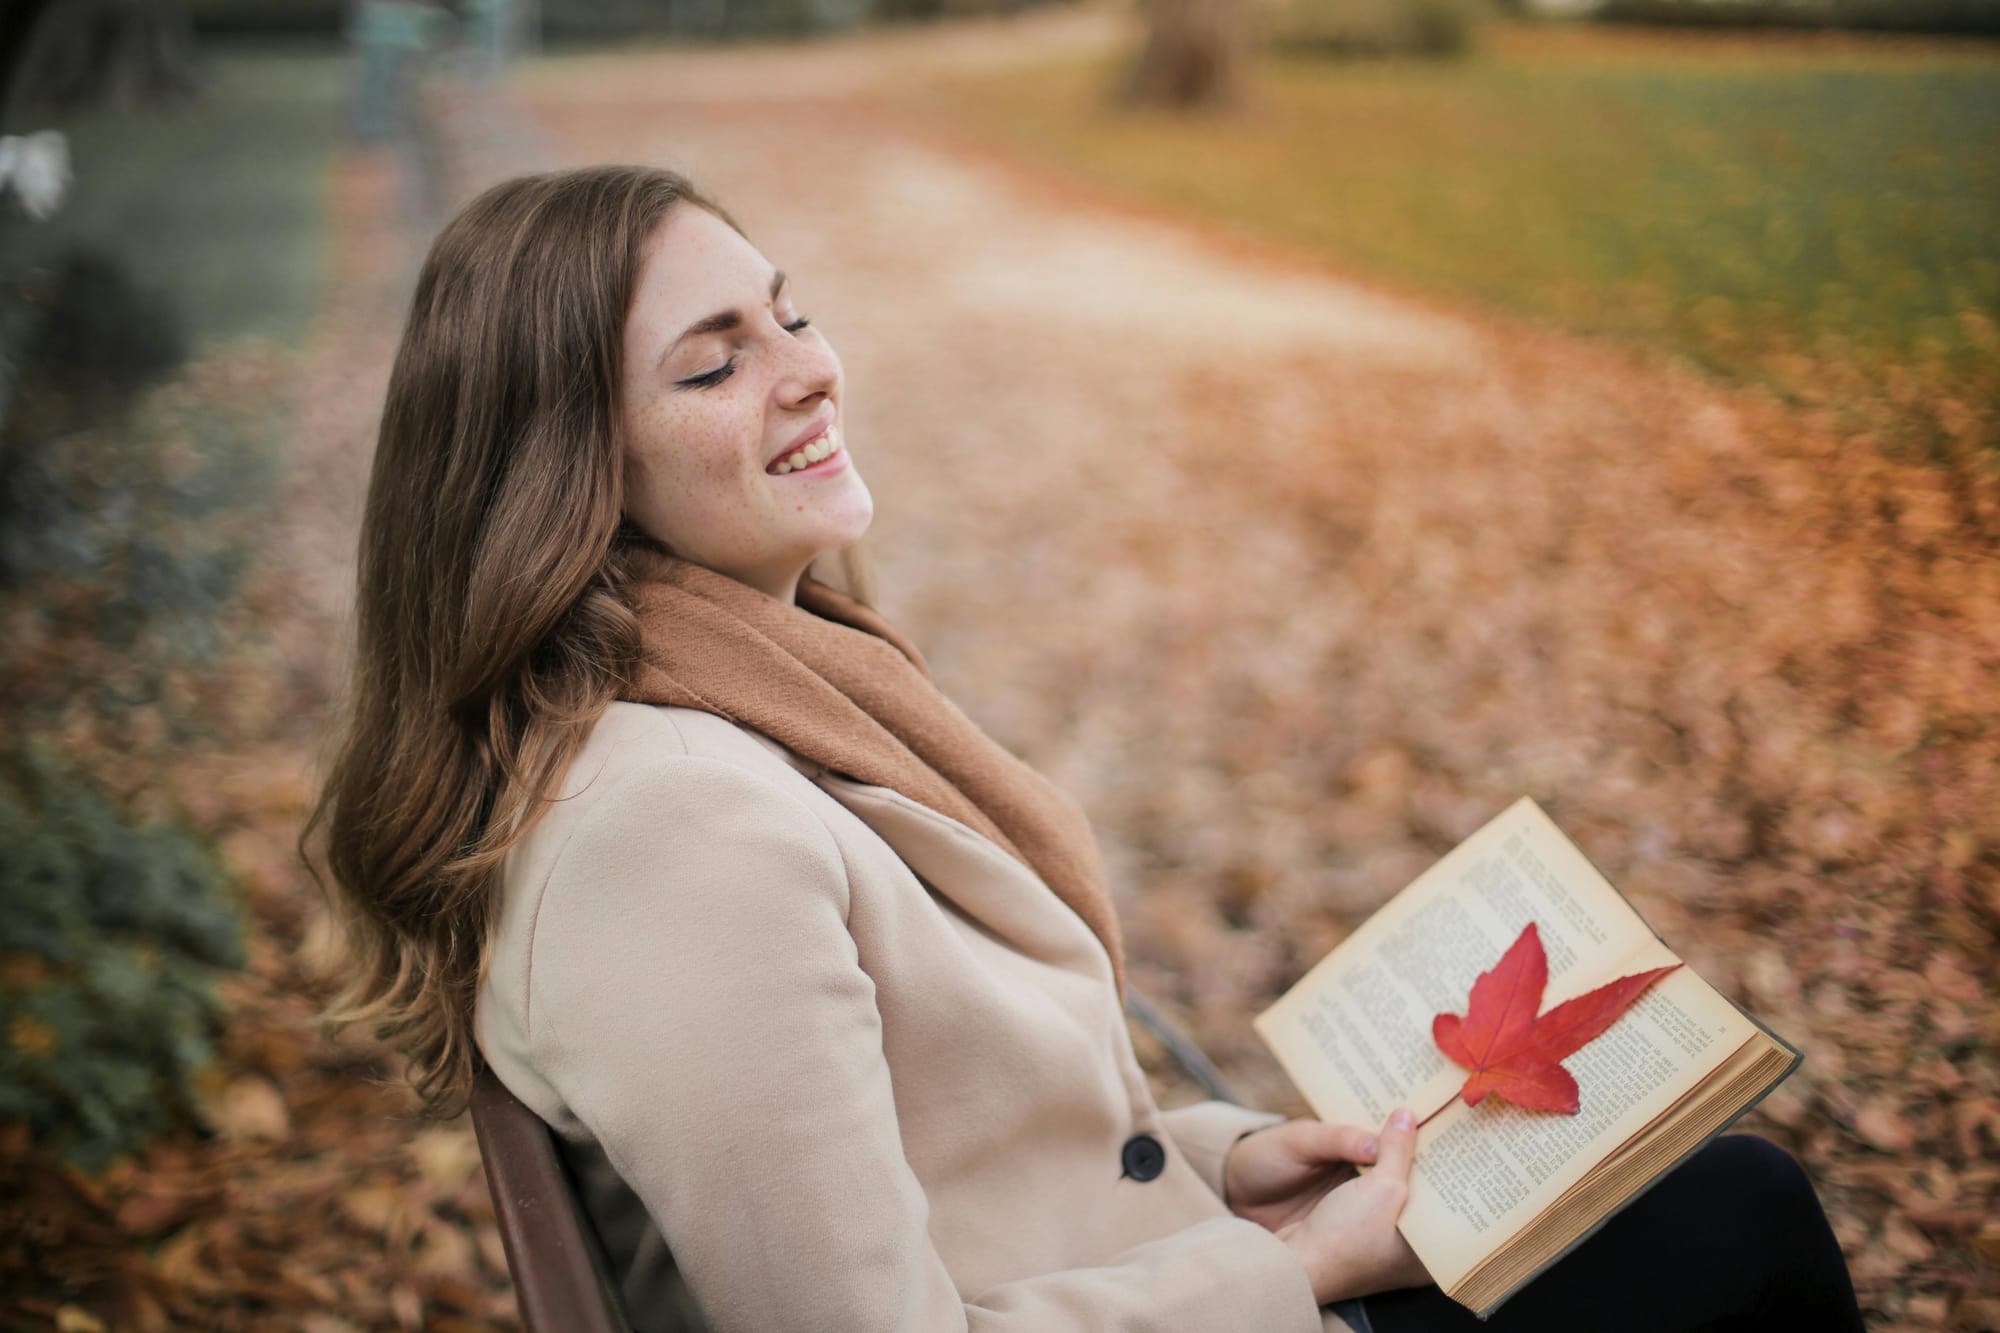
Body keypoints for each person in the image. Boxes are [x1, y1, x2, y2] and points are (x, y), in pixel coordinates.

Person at [305, 163, 1866, 1332]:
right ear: (564, 472)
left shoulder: (754, 691)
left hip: (1143, 1277)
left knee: (1712, 1201)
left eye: (791, 311)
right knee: (1747, 1218)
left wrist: (1228, 1158)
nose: (809, 367)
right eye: (713, 363)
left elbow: (948, 1142)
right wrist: (1284, 1267)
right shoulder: (674, 834)